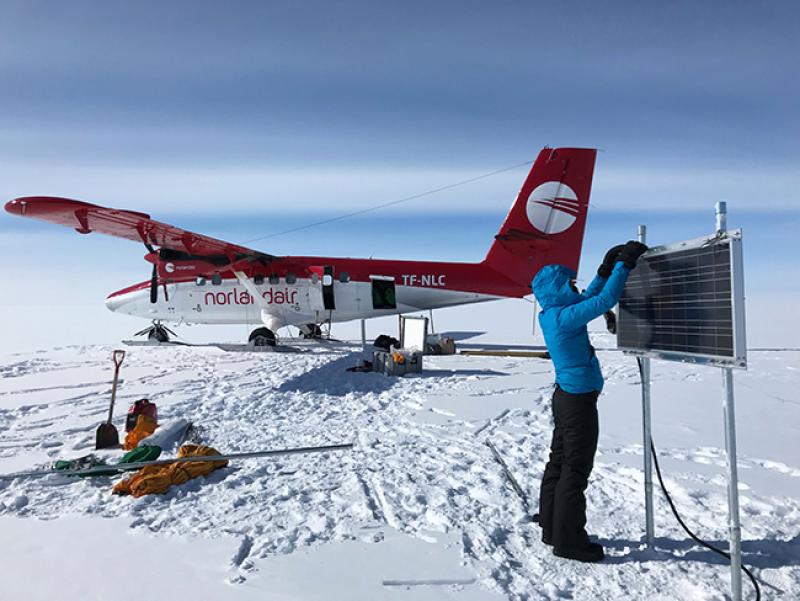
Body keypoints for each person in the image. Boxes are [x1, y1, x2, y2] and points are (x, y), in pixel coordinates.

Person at [531, 240, 648, 562]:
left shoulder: (555, 314)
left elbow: (590, 297)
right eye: (569, 283)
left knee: (559, 462)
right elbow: (605, 299)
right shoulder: (564, 318)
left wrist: (605, 269)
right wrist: (623, 266)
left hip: (567, 397)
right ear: (558, 287)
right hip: (578, 402)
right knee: (575, 469)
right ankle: (569, 541)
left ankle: (551, 526)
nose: (575, 286)